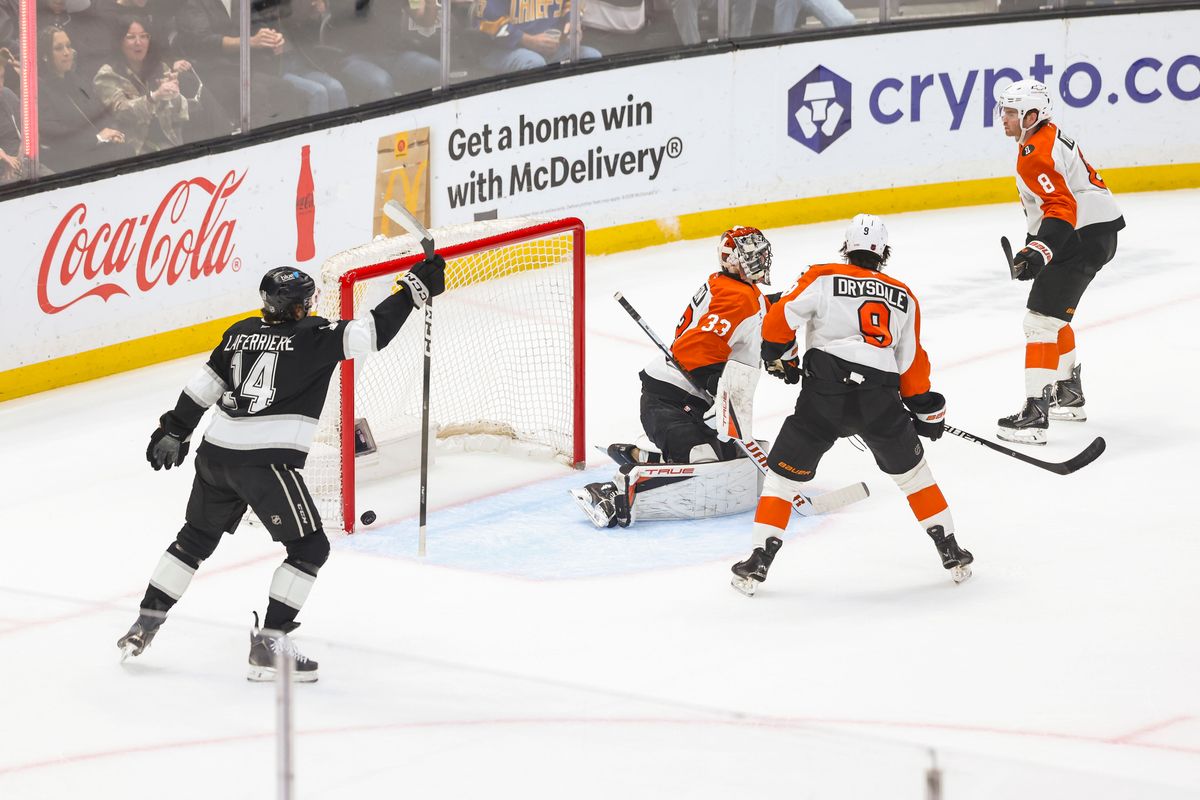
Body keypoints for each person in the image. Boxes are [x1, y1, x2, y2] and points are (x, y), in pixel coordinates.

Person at [117, 256, 447, 680]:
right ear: (296, 307)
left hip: (214, 456)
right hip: (265, 463)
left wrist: (174, 430)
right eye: (307, 301)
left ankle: (144, 624)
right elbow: (373, 331)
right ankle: (270, 644)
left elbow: (203, 387)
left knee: (194, 540)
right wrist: (413, 290)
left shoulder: (239, 333)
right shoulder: (313, 335)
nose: (311, 307)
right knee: (310, 549)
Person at [729, 214, 971, 597]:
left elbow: (778, 320)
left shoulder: (822, 275)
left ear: (846, 248)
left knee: (781, 480)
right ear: (883, 253)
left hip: (825, 397)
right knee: (914, 477)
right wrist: (926, 411)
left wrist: (779, 354)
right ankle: (951, 550)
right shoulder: (904, 295)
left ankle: (759, 560)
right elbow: (911, 366)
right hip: (880, 400)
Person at [571, 226, 773, 529]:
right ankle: (611, 492)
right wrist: (718, 388)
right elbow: (697, 350)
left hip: (690, 402)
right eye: (750, 255)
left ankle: (641, 456)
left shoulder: (734, 289)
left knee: (729, 456)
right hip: (668, 402)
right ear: (731, 260)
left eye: (760, 253)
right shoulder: (738, 297)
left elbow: (755, 312)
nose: (759, 259)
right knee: (704, 464)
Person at [994, 79, 1124, 445]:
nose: (1003, 118)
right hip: (1089, 233)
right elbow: (1052, 205)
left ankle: (1035, 415)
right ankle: (1068, 392)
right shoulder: (1044, 137)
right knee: (1053, 317)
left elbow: (1061, 207)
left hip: (1079, 237)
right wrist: (1034, 246)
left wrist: (1039, 252)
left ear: (1031, 115)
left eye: (1010, 112)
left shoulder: (1036, 151)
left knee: (1038, 323)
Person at [37, 26, 134, 173]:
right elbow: (56, 135)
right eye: (58, 48)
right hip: (69, 159)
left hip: (96, 149)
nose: (66, 53)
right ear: (45, 56)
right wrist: (97, 138)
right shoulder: (40, 91)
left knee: (126, 149)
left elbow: (101, 113)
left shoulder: (79, 81)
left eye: (68, 46)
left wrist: (114, 133)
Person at [93, 16, 190, 155]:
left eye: (144, 36)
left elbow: (180, 116)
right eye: (131, 37)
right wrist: (154, 97)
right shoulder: (107, 75)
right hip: (133, 147)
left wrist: (174, 96)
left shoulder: (160, 67)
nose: (138, 42)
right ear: (119, 41)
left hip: (169, 141)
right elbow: (121, 112)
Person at [472, 0, 601, 74]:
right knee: (534, 63)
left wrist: (573, 22)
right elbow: (487, 24)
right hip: (501, 51)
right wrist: (527, 40)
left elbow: (573, 4)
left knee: (592, 57)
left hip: (551, 49)